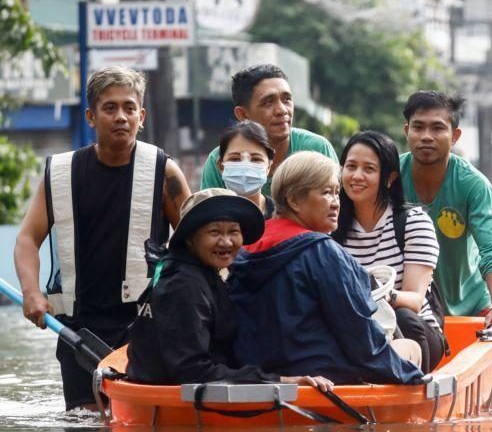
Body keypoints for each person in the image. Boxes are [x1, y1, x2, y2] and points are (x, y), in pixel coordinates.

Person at [14, 66, 192, 411]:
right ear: (91, 117)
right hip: (78, 327)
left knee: (139, 424)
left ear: (141, 116)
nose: (121, 117)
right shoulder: (61, 173)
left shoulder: (164, 171)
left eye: (129, 108)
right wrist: (31, 293)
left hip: (145, 325)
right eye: (110, 108)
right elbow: (27, 239)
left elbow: (194, 241)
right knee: (84, 428)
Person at [228, 151, 425, 385]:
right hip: (324, 377)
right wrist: (411, 374)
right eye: (326, 193)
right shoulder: (323, 252)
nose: (335, 203)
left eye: (336, 193)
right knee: (411, 348)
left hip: (262, 377)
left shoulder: (245, 248)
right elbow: (361, 340)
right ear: (293, 200)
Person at [127, 188, 333, 391]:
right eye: (214, 232)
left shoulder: (202, 273)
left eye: (234, 231)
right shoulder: (184, 286)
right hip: (173, 403)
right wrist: (281, 381)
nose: (226, 242)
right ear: (190, 239)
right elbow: (192, 373)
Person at [399, 91, 492, 334]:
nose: (426, 137)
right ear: (406, 131)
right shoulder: (389, 177)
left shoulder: (473, 185)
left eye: (437, 128)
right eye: (418, 127)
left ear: (455, 136)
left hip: (472, 307)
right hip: (411, 308)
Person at [333, 131, 446, 373]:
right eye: (350, 166)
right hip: (360, 331)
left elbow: (415, 301)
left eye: (369, 169)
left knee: (404, 316)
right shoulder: (331, 229)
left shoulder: (413, 222)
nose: (356, 176)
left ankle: (413, 390)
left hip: (416, 331)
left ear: (389, 178)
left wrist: (379, 294)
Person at [200, 64, 337, 196]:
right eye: (268, 102)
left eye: (287, 99)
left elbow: (336, 210)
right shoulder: (221, 160)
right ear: (243, 114)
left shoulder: (316, 149)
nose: (282, 110)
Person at [215, 120, 274, 217]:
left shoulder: (280, 215)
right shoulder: (210, 216)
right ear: (221, 166)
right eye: (235, 159)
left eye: (255, 159)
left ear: (268, 167)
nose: (245, 166)